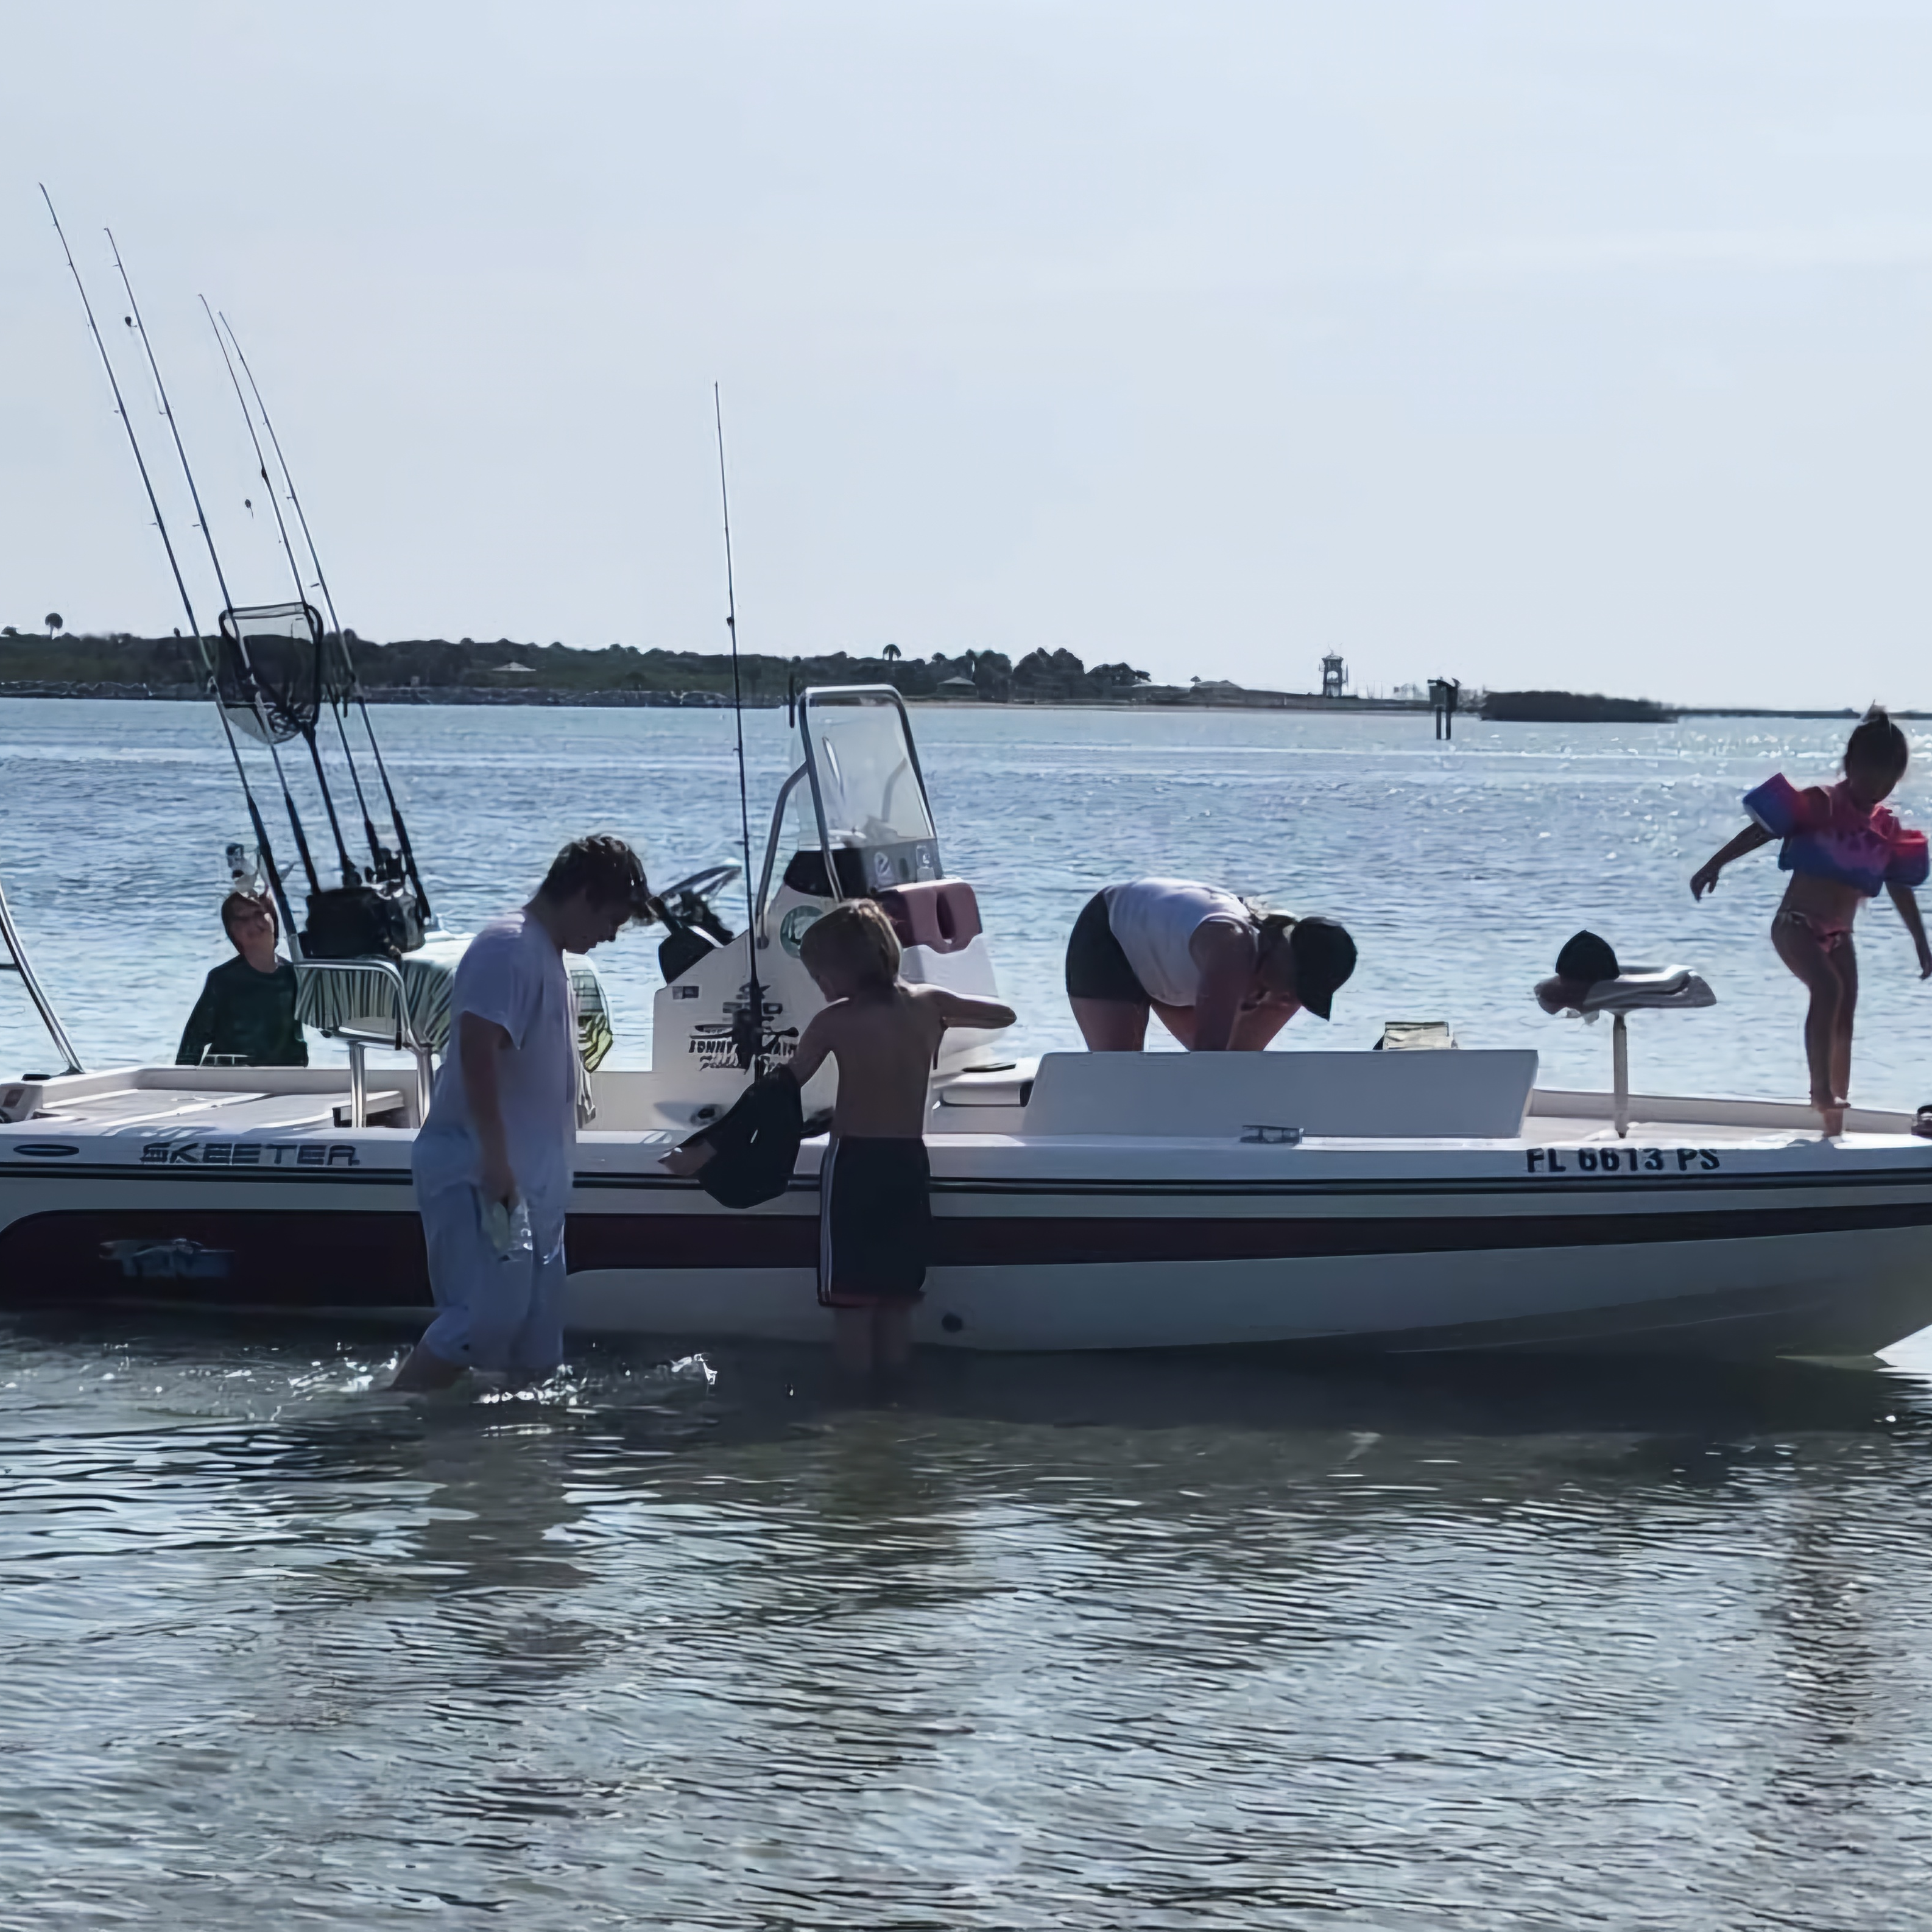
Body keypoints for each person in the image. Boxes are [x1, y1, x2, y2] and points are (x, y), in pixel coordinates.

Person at [390, 835, 654, 1392]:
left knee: (536, 1346)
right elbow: (475, 1048)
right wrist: (496, 1161)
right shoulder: (507, 947)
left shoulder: (548, 956)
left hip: (535, 1186)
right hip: (483, 1173)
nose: (610, 936)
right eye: (611, 920)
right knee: (482, 1322)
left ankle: (524, 1472)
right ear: (582, 894)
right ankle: (389, 1416)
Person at [754, 899, 1011, 1377]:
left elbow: (788, 1081)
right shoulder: (930, 1003)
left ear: (839, 973)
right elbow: (1004, 1016)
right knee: (895, 1302)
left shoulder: (835, 1020)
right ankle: (893, 1403)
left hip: (855, 1166)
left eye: (820, 977)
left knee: (853, 1303)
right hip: (908, 1165)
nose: (822, 988)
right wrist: (945, 1017)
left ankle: (855, 1407)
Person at [1691, 707, 1931, 1136]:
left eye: (1888, 781)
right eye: (1871, 777)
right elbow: (1762, 830)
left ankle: (1834, 1124)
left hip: (1841, 936)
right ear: (1849, 766)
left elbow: (1900, 885)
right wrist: (1715, 864)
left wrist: (1920, 942)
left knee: (1845, 1016)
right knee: (1828, 990)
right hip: (1795, 924)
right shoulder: (1820, 802)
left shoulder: (1886, 826)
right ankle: (1819, 1091)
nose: (1877, 789)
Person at [1064, 877, 1356, 1051]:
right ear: (1288, 956)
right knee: (1119, 1072)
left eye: (1305, 994)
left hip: (1177, 962)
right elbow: (1210, 1056)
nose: (1292, 999)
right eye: (1297, 988)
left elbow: (1233, 1067)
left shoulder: (1290, 980)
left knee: (1235, 1065)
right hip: (1112, 937)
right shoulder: (1231, 946)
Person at [175, 892, 307, 1068]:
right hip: (229, 1078)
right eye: (242, 919)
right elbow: (193, 1043)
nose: (252, 923)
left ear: (273, 919)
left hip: (284, 1077)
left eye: (258, 914)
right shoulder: (223, 980)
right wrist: (180, 1084)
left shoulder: (296, 976)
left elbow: (328, 1021)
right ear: (232, 931)